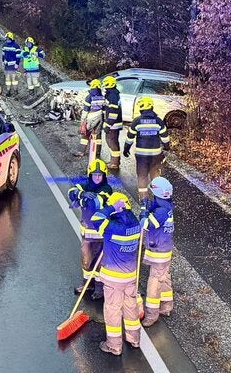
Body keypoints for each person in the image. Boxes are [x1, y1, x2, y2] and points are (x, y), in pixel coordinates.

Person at [91, 192, 142, 355]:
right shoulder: (136, 224)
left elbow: (96, 219)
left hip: (113, 278)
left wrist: (111, 207)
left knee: (113, 310)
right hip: (131, 276)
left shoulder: (111, 226)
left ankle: (114, 346)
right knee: (130, 307)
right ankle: (134, 339)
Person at [68, 159, 114, 300]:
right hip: (87, 234)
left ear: (104, 176)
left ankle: (99, 288)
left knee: (99, 262)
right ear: (90, 175)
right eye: (95, 175)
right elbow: (71, 192)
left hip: (100, 235)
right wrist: (81, 194)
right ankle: (87, 284)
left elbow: (96, 202)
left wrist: (80, 198)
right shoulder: (85, 185)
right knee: (86, 260)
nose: (98, 177)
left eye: (100, 175)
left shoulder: (107, 189)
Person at [141, 177, 175, 327]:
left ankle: (152, 314)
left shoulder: (161, 211)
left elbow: (148, 224)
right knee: (164, 277)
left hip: (159, 251)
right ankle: (167, 305)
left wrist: (143, 212)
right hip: (164, 250)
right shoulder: (166, 207)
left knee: (154, 282)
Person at [123, 97, 170, 200]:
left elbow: (130, 137)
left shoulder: (137, 121)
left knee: (142, 176)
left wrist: (126, 149)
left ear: (141, 108)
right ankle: (159, 196)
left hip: (142, 156)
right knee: (155, 175)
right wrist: (167, 147)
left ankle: (143, 198)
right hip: (156, 155)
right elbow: (165, 137)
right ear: (152, 107)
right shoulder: (158, 121)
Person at [74, 79, 106, 158]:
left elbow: (86, 110)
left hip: (91, 117)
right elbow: (104, 108)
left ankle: (81, 152)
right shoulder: (102, 96)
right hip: (100, 117)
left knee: (85, 134)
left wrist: (82, 121)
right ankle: (97, 152)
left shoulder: (89, 96)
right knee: (98, 135)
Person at [103, 76, 123, 170]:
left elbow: (113, 112)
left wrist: (108, 124)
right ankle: (114, 161)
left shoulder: (113, 95)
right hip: (113, 123)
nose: (104, 86)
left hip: (113, 124)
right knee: (111, 141)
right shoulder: (111, 93)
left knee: (112, 142)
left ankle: (114, 163)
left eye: (106, 84)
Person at [1, 32, 22, 97]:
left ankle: (15, 91)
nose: (7, 40)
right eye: (7, 38)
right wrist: (2, 61)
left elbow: (18, 56)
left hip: (13, 66)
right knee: (7, 79)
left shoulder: (16, 46)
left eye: (9, 38)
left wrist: (17, 64)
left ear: (11, 39)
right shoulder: (4, 45)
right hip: (7, 65)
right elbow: (3, 54)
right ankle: (8, 91)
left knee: (14, 79)